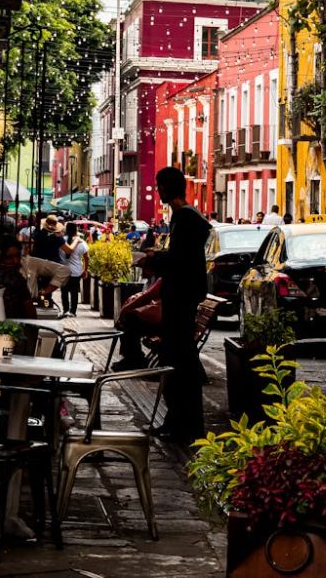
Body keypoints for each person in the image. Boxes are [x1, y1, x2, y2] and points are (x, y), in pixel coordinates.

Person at [113, 167, 209, 444]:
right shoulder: (187, 218)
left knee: (176, 364)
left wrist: (152, 259)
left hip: (181, 300)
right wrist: (159, 256)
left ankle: (183, 425)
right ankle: (178, 422)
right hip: (182, 297)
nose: (157, 191)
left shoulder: (184, 218)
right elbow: (182, 256)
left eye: (158, 187)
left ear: (166, 189)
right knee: (176, 363)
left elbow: (180, 260)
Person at [59, 221, 89, 318]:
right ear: (76, 230)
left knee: (64, 291)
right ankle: (73, 311)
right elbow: (86, 258)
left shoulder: (61, 241)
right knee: (74, 292)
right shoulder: (82, 242)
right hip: (76, 271)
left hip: (63, 271)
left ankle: (65, 310)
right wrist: (85, 270)